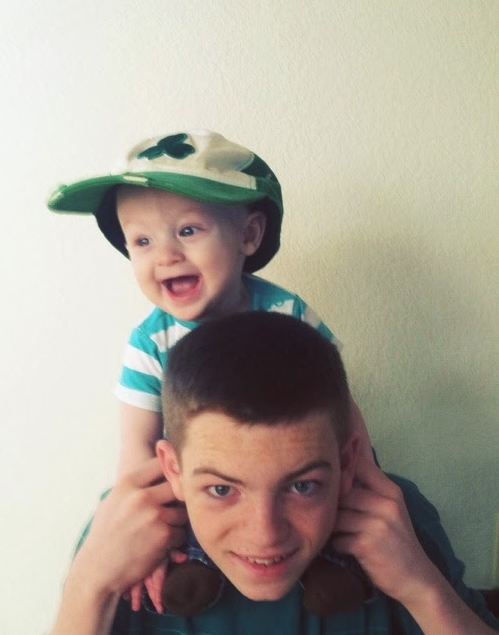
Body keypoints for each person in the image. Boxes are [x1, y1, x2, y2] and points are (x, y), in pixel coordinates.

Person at [48, 129, 374, 615]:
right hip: (199, 496)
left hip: (300, 492)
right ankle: (191, 566)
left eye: (188, 231)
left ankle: (333, 567)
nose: (166, 255)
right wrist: (146, 534)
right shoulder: (149, 344)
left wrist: (366, 477)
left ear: (249, 235)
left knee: (314, 499)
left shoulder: (287, 313)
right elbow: (137, 450)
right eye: (142, 240)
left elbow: (340, 410)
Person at [51, 311, 499, 635]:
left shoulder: (395, 519)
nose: (265, 535)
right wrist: (90, 587)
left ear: (347, 464)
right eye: (221, 489)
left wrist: (422, 588)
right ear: (173, 469)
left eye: (302, 486)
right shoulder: (124, 531)